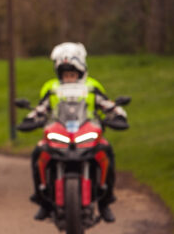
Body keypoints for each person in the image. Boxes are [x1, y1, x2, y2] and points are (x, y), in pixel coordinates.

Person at [18, 42, 128, 222]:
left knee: (106, 151)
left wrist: (118, 115)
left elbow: (107, 105)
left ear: (81, 70)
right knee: (39, 152)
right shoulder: (51, 88)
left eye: (72, 73)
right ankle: (43, 200)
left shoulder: (92, 86)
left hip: (87, 133)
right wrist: (30, 119)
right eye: (65, 73)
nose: (69, 77)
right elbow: (41, 108)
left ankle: (105, 201)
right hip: (58, 134)